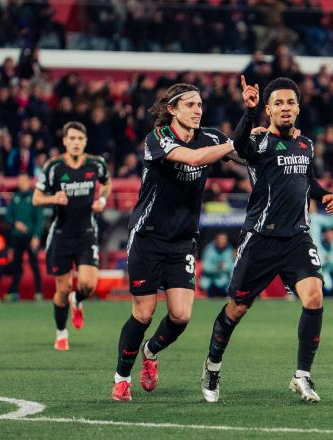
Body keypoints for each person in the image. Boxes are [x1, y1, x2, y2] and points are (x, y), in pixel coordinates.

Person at [200, 76, 333, 404]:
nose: (285, 107)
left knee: (314, 298)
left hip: (297, 238)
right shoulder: (258, 141)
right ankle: (212, 366)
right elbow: (240, 146)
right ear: (269, 109)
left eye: (290, 102)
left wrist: (324, 195)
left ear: (298, 107)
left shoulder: (306, 144)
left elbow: (306, 179)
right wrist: (248, 114)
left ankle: (302, 376)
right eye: (278, 103)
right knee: (236, 309)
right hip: (260, 239)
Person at [111, 83, 236, 402]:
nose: (197, 109)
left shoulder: (210, 137)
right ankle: (122, 378)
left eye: (200, 104)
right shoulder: (158, 139)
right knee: (144, 312)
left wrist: (256, 125)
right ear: (173, 110)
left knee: (180, 316)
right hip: (148, 236)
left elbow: (241, 153)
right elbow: (193, 159)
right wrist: (235, 141)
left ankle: (150, 352)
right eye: (190, 104)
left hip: (182, 241)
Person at [33, 121, 112, 351]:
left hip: (86, 232)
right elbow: (36, 198)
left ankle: (78, 301)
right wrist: (53, 199)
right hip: (61, 235)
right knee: (63, 288)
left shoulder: (96, 164)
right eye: (72, 138)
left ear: (85, 142)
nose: (76, 142)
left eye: (80, 139)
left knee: (88, 285)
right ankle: (61, 332)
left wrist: (103, 200)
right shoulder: (54, 166)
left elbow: (107, 184)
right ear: (65, 141)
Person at [6, 174, 44, 302]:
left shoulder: (34, 197)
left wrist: (36, 236)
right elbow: (8, 215)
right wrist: (15, 223)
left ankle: (38, 291)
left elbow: (40, 219)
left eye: (23, 181)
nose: (21, 183)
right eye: (19, 181)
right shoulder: (15, 197)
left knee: (34, 265)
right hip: (17, 237)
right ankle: (14, 292)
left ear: (28, 182)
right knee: (16, 265)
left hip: (30, 237)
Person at [199, 233, 235, 298]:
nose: (222, 242)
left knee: (233, 268)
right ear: (216, 240)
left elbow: (230, 266)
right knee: (204, 284)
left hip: (224, 280)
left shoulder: (230, 249)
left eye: (224, 240)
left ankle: (231, 293)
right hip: (210, 279)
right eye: (220, 240)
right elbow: (205, 267)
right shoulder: (209, 249)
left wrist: (223, 267)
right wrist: (216, 268)